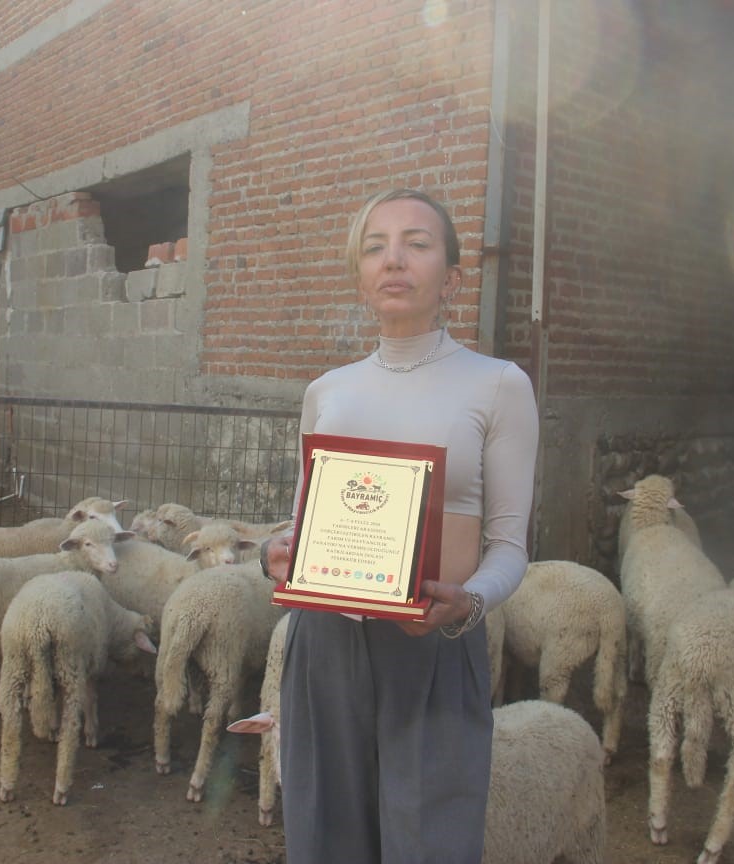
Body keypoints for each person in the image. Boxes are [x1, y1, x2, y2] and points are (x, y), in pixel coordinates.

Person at [260, 188, 539, 864]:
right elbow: (303, 525)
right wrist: (277, 552)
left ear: (451, 277)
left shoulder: (498, 384)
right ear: (359, 275)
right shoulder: (328, 390)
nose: (394, 260)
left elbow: (508, 547)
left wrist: (468, 603)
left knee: (429, 839)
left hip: (434, 642)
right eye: (375, 246)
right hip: (324, 643)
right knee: (325, 831)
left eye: (417, 243)